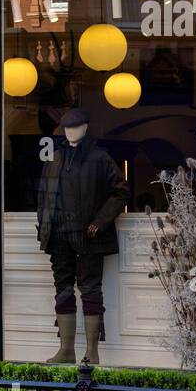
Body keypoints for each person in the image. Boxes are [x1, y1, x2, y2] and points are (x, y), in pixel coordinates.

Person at [37, 108, 128, 365]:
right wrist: (45, 226)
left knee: (90, 289)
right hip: (59, 235)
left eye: (75, 127)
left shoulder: (99, 158)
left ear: (85, 128)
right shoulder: (54, 158)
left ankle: (92, 352)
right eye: (66, 128)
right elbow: (43, 195)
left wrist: (99, 222)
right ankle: (66, 350)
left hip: (89, 236)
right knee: (63, 289)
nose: (70, 132)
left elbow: (120, 192)